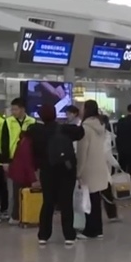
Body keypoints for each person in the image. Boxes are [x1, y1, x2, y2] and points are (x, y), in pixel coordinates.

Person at [28, 105, 84, 245]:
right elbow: (81, 132)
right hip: (66, 170)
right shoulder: (65, 129)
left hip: (47, 171)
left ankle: (43, 235)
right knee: (66, 202)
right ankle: (69, 236)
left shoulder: (36, 131)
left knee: (48, 202)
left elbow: (33, 152)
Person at [76, 100, 111, 240]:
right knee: (95, 200)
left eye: (82, 107)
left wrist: (78, 171)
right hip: (99, 166)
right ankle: (98, 229)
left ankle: (91, 230)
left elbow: (82, 152)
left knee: (88, 201)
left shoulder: (85, 128)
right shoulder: (100, 125)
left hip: (88, 168)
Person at [1, 98, 35, 225]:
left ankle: (27, 214)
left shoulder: (32, 122)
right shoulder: (8, 122)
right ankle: (14, 214)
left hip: (28, 159)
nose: (13, 112)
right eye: (12, 109)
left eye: (15, 109)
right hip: (13, 159)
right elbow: (4, 142)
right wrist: (5, 161)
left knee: (27, 188)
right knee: (13, 190)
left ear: (22, 109)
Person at [98, 114, 121, 222]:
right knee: (106, 193)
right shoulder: (106, 135)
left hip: (95, 169)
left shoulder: (102, 135)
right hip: (102, 169)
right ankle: (112, 215)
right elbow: (107, 153)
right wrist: (116, 164)